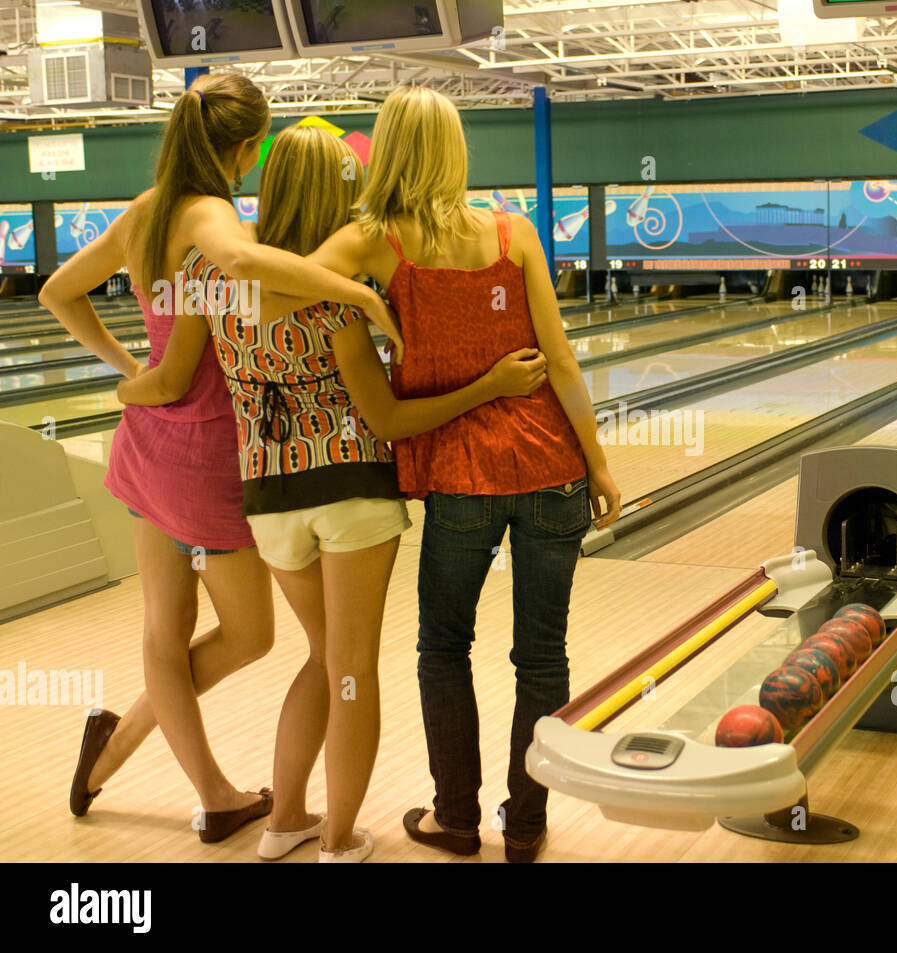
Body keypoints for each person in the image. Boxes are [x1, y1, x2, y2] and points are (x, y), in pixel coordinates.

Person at [119, 124, 548, 862]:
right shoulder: (339, 297)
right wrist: (488, 387)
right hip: (350, 492)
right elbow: (385, 417)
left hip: (268, 501)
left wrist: (123, 386)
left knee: (321, 658)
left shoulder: (209, 277)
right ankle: (340, 837)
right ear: (341, 194)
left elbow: (171, 377)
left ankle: (285, 819)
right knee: (350, 670)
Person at [38, 72, 401, 844]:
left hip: (146, 455)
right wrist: (363, 295)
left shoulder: (145, 208)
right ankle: (155, 763)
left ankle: (190, 783)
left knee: (163, 634)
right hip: (209, 457)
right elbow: (244, 271)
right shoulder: (207, 211)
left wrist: (124, 370)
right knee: (254, 636)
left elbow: (58, 292)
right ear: (242, 148)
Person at [308, 84, 621, 862]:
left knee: (443, 647)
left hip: (462, 479)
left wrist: (361, 297)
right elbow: (562, 360)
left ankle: (456, 818)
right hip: (551, 468)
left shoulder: (373, 241)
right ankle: (526, 823)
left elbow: (278, 284)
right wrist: (599, 459)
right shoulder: (514, 235)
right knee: (542, 655)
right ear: (455, 152)